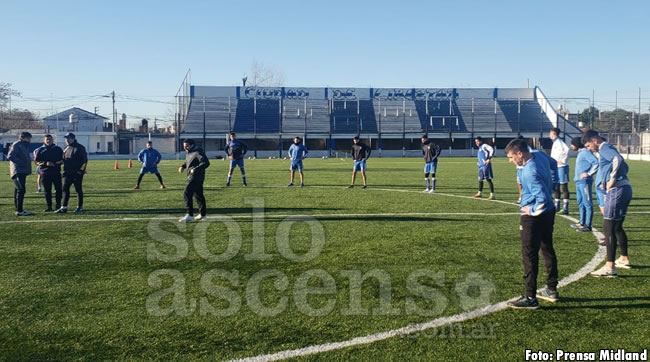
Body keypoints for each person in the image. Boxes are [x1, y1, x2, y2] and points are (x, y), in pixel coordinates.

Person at [505, 138, 559, 309]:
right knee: (547, 249)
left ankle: (530, 297)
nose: (510, 161)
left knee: (529, 255)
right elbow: (554, 163)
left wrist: (532, 210)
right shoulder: (540, 155)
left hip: (534, 216)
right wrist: (553, 183)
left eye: (512, 157)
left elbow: (541, 199)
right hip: (549, 212)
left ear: (520, 154)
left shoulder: (530, 171)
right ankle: (551, 289)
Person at [583, 130, 633, 277]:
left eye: (588, 145)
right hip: (624, 188)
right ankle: (624, 258)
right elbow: (622, 163)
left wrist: (612, 179)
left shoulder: (604, 147)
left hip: (617, 190)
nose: (589, 148)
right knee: (617, 227)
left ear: (594, 140)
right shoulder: (607, 148)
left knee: (609, 227)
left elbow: (618, 159)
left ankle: (609, 267)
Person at [570, 137, 598, 232]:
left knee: (587, 202)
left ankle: (588, 224)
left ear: (576, 145)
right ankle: (582, 221)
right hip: (579, 181)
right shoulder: (581, 153)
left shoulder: (586, 152)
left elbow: (596, 163)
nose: (571, 146)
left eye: (572, 144)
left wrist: (588, 173)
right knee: (580, 201)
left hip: (584, 181)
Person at [178, 139, 210, 222]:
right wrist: (183, 166)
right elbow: (189, 161)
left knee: (187, 193)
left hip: (196, 176)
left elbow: (206, 163)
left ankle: (189, 214)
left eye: (187, 146)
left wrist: (195, 169)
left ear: (192, 145)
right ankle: (203, 214)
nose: (185, 148)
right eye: (184, 146)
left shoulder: (197, 151)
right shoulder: (190, 152)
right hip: (193, 176)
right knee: (198, 195)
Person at [55, 133, 87, 213]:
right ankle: (64, 207)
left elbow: (84, 161)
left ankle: (79, 207)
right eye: (66, 138)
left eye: (68, 138)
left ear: (73, 138)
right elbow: (64, 159)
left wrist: (80, 171)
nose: (67, 140)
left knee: (78, 189)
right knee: (65, 189)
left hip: (76, 173)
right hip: (67, 172)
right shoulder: (66, 148)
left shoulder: (80, 148)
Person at [34, 134, 64, 212]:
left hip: (56, 173)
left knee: (59, 190)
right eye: (47, 139)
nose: (48, 141)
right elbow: (36, 162)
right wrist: (45, 163)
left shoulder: (58, 149)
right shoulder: (40, 150)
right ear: (44, 140)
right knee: (47, 191)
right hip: (45, 173)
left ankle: (58, 205)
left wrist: (55, 163)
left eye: (50, 139)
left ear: (52, 140)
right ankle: (49, 206)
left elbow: (63, 160)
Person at [8, 131, 34, 216]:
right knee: (21, 189)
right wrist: (21, 163)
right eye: (28, 138)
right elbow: (10, 156)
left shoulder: (24, 145)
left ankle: (18, 209)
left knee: (18, 189)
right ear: (22, 138)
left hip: (22, 171)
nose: (29, 140)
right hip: (18, 171)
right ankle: (20, 210)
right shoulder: (17, 144)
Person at [549, 128, 570, 214]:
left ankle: (565, 208)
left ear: (553, 133)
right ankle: (556, 206)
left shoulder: (560, 142)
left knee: (563, 187)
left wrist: (563, 160)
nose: (549, 134)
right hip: (556, 167)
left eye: (550, 133)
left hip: (562, 167)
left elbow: (567, 149)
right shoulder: (555, 142)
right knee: (556, 186)